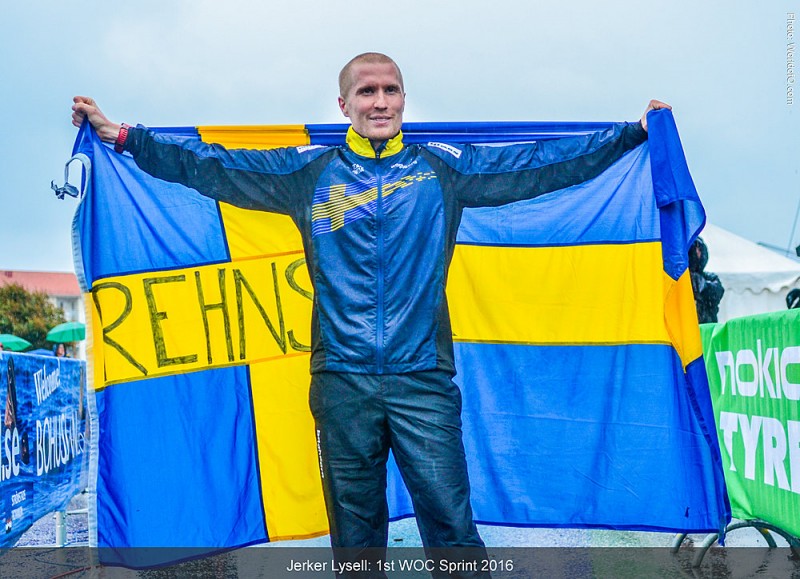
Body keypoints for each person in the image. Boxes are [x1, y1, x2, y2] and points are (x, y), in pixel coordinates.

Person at [73, 52, 669, 578]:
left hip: (422, 382)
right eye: (366, 91)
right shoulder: (308, 175)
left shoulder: (443, 171)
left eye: (390, 90)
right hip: (341, 384)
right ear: (344, 103)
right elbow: (210, 164)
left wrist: (630, 135)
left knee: (453, 532)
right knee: (356, 543)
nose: (379, 101)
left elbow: (541, 163)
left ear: (405, 99)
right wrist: (124, 136)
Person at [689, 237, 724, 324]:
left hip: (706, 329)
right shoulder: (678, 279)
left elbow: (717, 292)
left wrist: (703, 285)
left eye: (699, 249)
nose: (697, 252)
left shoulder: (710, 278)